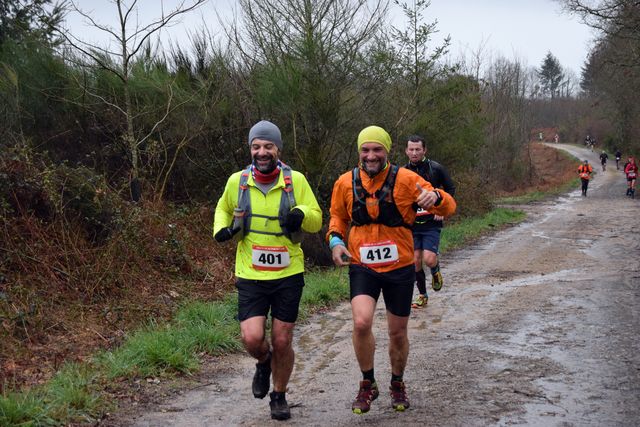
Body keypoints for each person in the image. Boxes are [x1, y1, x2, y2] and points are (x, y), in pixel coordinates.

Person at [327, 125, 456, 415]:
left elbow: (448, 206)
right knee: (361, 323)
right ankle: (368, 383)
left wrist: (436, 198)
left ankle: (397, 383)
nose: (371, 156)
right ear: (359, 152)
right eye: (365, 150)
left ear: (387, 151)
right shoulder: (345, 182)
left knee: (397, 332)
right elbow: (337, 216)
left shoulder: (407, 179)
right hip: (363, 265)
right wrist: (335, 241)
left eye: (377, 149)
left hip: (399, 266)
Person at [213, 120, 322, 420]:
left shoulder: (295, 181)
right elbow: (223, 207)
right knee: (251, 338)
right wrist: (221, 228)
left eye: (268, 146)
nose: (262, 152)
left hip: (288, 273)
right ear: (251, 149)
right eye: (256, 146)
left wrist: (300, 213)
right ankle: (264, 361)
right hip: (250, 273)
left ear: (278, 150)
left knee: (283, 339)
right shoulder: (237, 181)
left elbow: (316, 219)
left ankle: (279, 395)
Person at [403, 135, 456, 309]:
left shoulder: (436, 169)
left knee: (429, 259)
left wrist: (442, 208)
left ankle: (435, 270)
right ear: (406, 151)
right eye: (411, 149)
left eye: (418, 149)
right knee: (415, 261)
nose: (414, 153)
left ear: (424, 150)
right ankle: (422, 295)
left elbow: (450, 189)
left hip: (431, 221)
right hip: (412, 223)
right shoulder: (402, 172)